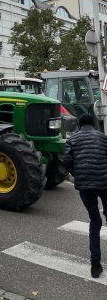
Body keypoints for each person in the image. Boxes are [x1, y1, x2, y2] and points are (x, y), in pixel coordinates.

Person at [63, 114, 107, 278]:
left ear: (80, 125)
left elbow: (66, 159)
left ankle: (95, 267)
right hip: (104, 184)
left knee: (95, 221)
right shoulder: (103, 138)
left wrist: (78, 173)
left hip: (85, 186)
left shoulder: (73, 140)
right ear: (93, 124)